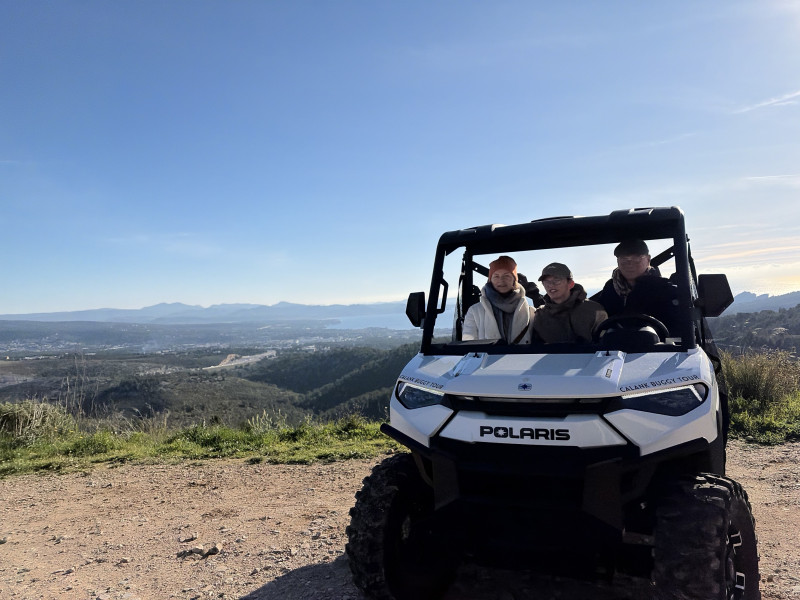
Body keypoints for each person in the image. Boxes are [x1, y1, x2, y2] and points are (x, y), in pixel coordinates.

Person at [595, 239, 680, 333]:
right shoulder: (610, 289)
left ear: (648, 260)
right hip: (615, 344)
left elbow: (678, 328)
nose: (629, 264)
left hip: (656, 345)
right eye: (624, 259)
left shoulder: (665, 289)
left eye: (637, 259)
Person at [462, 255, 534, 344]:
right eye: (496, 276)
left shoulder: (531, 313)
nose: (501, 281)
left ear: (514, 280)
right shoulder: (475, 312)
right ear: (490, 280)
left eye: (506, 276)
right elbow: (469, 345)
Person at [531, 263, 607, 343]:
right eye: (546, 281)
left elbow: (606, 349)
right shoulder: (539, 315)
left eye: (557, 280)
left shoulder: (595, 311)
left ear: (570, 284)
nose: (551, 285)